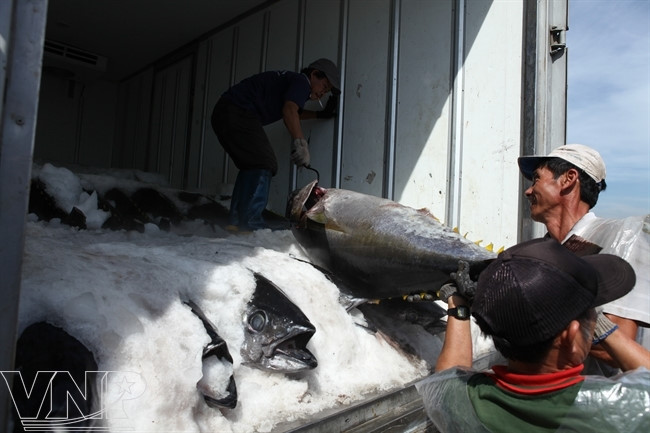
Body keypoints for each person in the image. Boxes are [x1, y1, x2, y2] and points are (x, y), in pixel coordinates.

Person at [418, 238, 650, 433]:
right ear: (571, 338)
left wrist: (458, 306)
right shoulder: (624, 408)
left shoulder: (462, 403)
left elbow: (446, 380)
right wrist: (601, 326)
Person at [517, 143, 649, 371]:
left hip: (605, 392)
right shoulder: (539, 254)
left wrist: (517, 310)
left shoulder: (623, 234)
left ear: (568, 179)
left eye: (536, 179)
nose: (528, 191)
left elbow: (615, 344)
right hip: (554, 391)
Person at [211, 59, 341, 231]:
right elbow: (289, 110)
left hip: (225, 113)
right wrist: (301, 144)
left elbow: (294, 111)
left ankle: (237, 223)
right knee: (264, 162)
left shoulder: (292, 83)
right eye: (324, 86)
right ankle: (249, 224)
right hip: (237, 112)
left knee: (252, 165)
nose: (322, 93)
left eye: (326, 91)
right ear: (314, 74)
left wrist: (319, 115)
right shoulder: (301, 82)